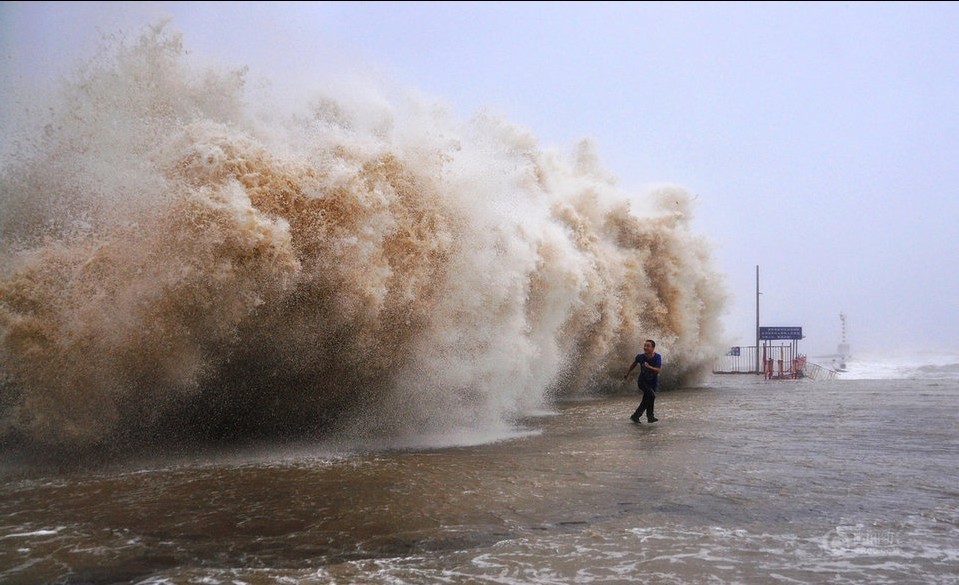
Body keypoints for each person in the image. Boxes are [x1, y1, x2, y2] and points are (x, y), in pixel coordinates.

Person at [623, 339, 662, 423]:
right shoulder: (640, 357)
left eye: (648, 346)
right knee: (652, 396)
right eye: (645, 346)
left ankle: (638, 416)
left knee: (647, 399)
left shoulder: (657, 357)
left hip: (653, 382)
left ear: (653, 348)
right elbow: (634, 364)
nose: (645, 347)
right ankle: (649, 416)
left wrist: (649, 367)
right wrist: (628, 373)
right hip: (642, 382)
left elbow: (658, 370)